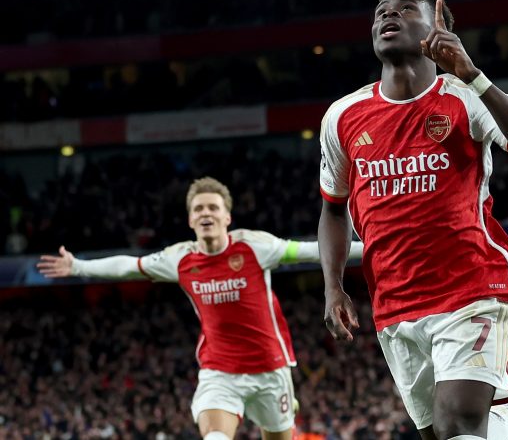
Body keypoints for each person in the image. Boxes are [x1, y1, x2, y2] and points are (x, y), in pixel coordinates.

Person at [317, 0, 508, 440]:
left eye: (404, 9)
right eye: (381, 10)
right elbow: (333, 209)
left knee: (460, 422)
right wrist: (333, 287)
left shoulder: (463, 96)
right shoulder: (342, 116)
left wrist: (473, 74)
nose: (387, 16)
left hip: (470, 284)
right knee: (445, 434)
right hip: (394, 301)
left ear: (437, 28)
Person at [37, 177, 363, 440]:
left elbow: (312, 250)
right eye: (199, 209)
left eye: (212, 207)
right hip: (219, 371)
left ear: (227, 217)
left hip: (270, 369)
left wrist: (371, 248)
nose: (206, 213)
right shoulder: (179, 258)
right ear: (191, 219)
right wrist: (78, 267)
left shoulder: (254, 245)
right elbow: (129, 266)